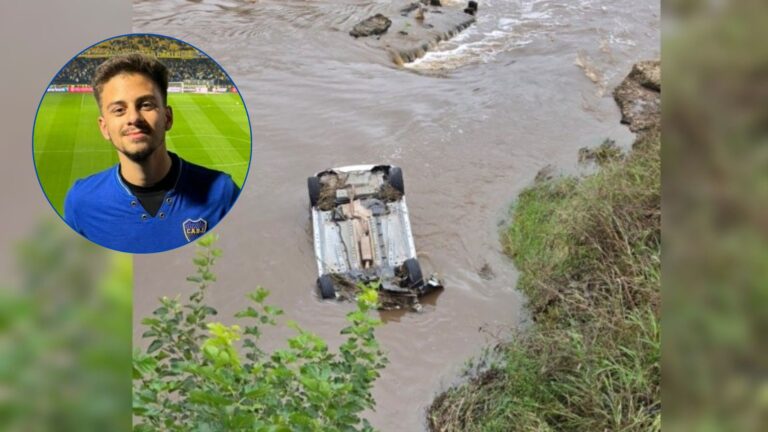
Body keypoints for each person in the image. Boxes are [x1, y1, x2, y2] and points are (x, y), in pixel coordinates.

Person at [63, 53, 240, 253]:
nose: (134, 118)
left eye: (146, 105)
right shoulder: (81, 202)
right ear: (104, 127)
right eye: (119, 110)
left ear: (167, 118)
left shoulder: (222, 192)